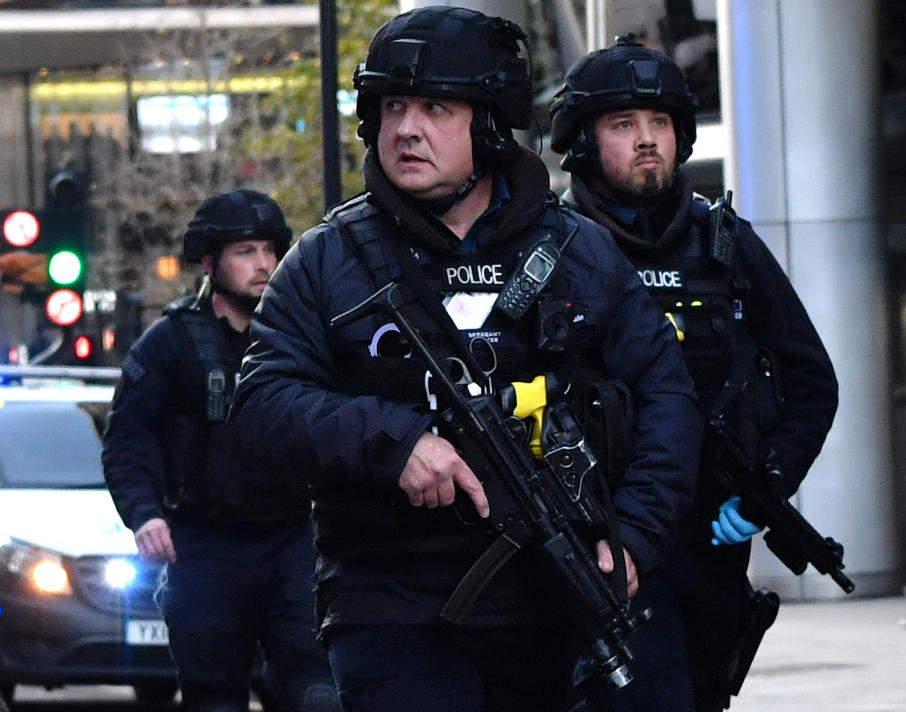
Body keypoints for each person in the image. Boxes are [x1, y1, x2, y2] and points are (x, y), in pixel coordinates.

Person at [227, 7, 702, 712]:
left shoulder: (579, 252)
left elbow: (667, 399)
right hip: (388, 605)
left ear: (485, 123)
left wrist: (633, 537)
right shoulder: (328, 259)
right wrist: (395, 443)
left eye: (434, 107)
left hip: (551, 602)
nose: (406, 128)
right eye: (391, 107)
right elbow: (260, 405)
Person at [550, 35, 840, 712]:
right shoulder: (551, 249)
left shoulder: (726, 245)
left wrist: (766, 484)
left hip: (710, 544)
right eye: (624, 124)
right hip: (602, 544)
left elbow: (812, 382)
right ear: (586, 141)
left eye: (661, 124)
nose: (647, 140)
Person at [101, 190, 337, 712]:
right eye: (246, 252)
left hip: (294, 541)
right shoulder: (170, 342)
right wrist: (144, 515)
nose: (264, 265)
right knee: (213, 697)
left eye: (271, 251)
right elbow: (128, 437)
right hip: (204, 546)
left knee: (318, 692)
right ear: (210, 262)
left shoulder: (303, 336)